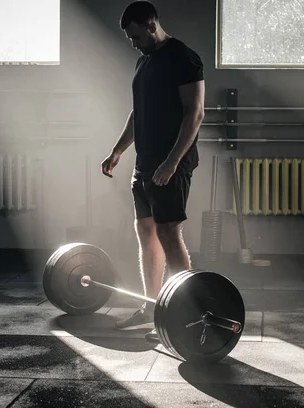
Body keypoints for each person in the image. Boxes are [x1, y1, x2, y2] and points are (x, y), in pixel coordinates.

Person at [101, 1, 205, 343]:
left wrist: (173, 161)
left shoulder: (184, 58)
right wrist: (118, 150)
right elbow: (138, 112)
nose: (132, 43)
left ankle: (189, 312)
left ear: (150, 24)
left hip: (170, 163)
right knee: (146, 232)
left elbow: (195, 113)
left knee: (169, 234)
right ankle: (153, 308)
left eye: (134, 35)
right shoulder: (144, 60)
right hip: (145, 162)